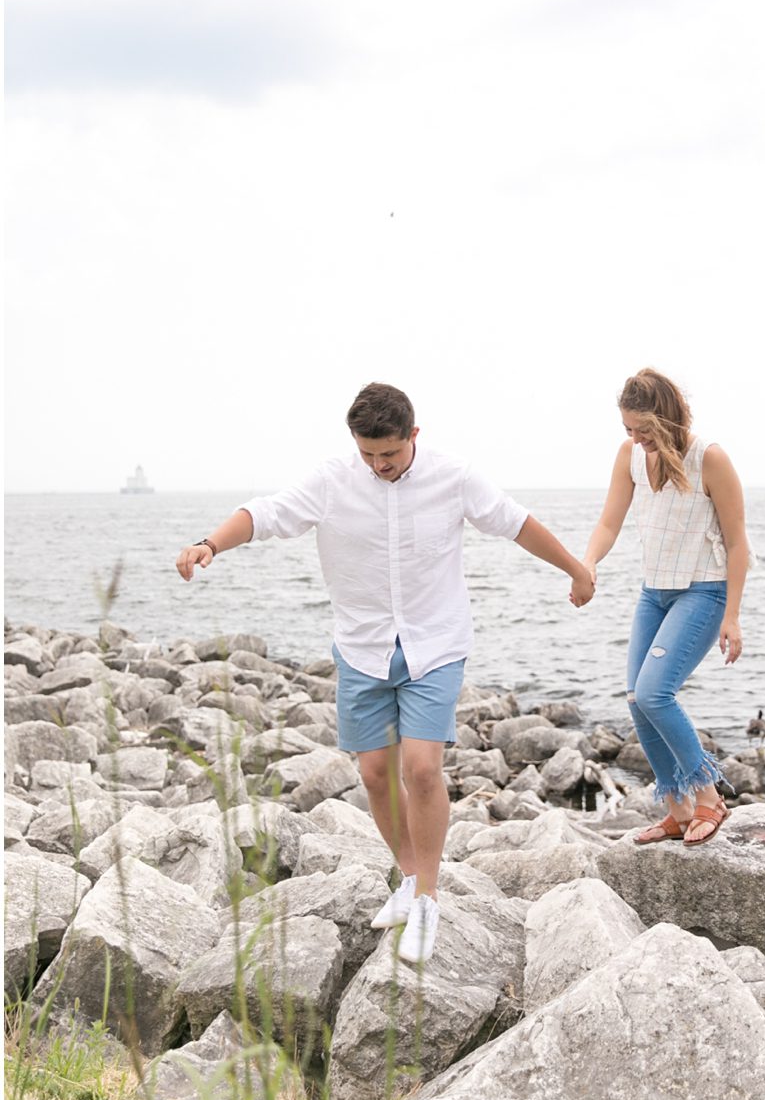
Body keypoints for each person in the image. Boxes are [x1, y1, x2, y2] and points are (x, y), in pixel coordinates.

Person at [175, 382, 594, 964]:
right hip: (363, 647)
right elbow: (265, 514)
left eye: (389, 455)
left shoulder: (454, 476)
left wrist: (575, 568)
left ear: (413, 436)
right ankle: (407, 874)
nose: (378, 465)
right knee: (374, 774)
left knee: (421, 769)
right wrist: (210, 544)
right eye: (368, 454)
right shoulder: (332, 480)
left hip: (435, 644)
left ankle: (427, 898)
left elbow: (514, 522)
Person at [581, 368, 750, 845]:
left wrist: (732, 617)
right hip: (653, 593)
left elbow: (738, 544)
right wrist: (589, 563)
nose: (636, 439)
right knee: (636, 698)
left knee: (656, 692)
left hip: (704, 591)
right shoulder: (631, 455)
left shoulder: (709, 458)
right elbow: (609, 523)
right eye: (628, 430)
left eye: (644, 430)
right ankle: (676, 808)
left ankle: (709, 797)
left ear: (668, 417)